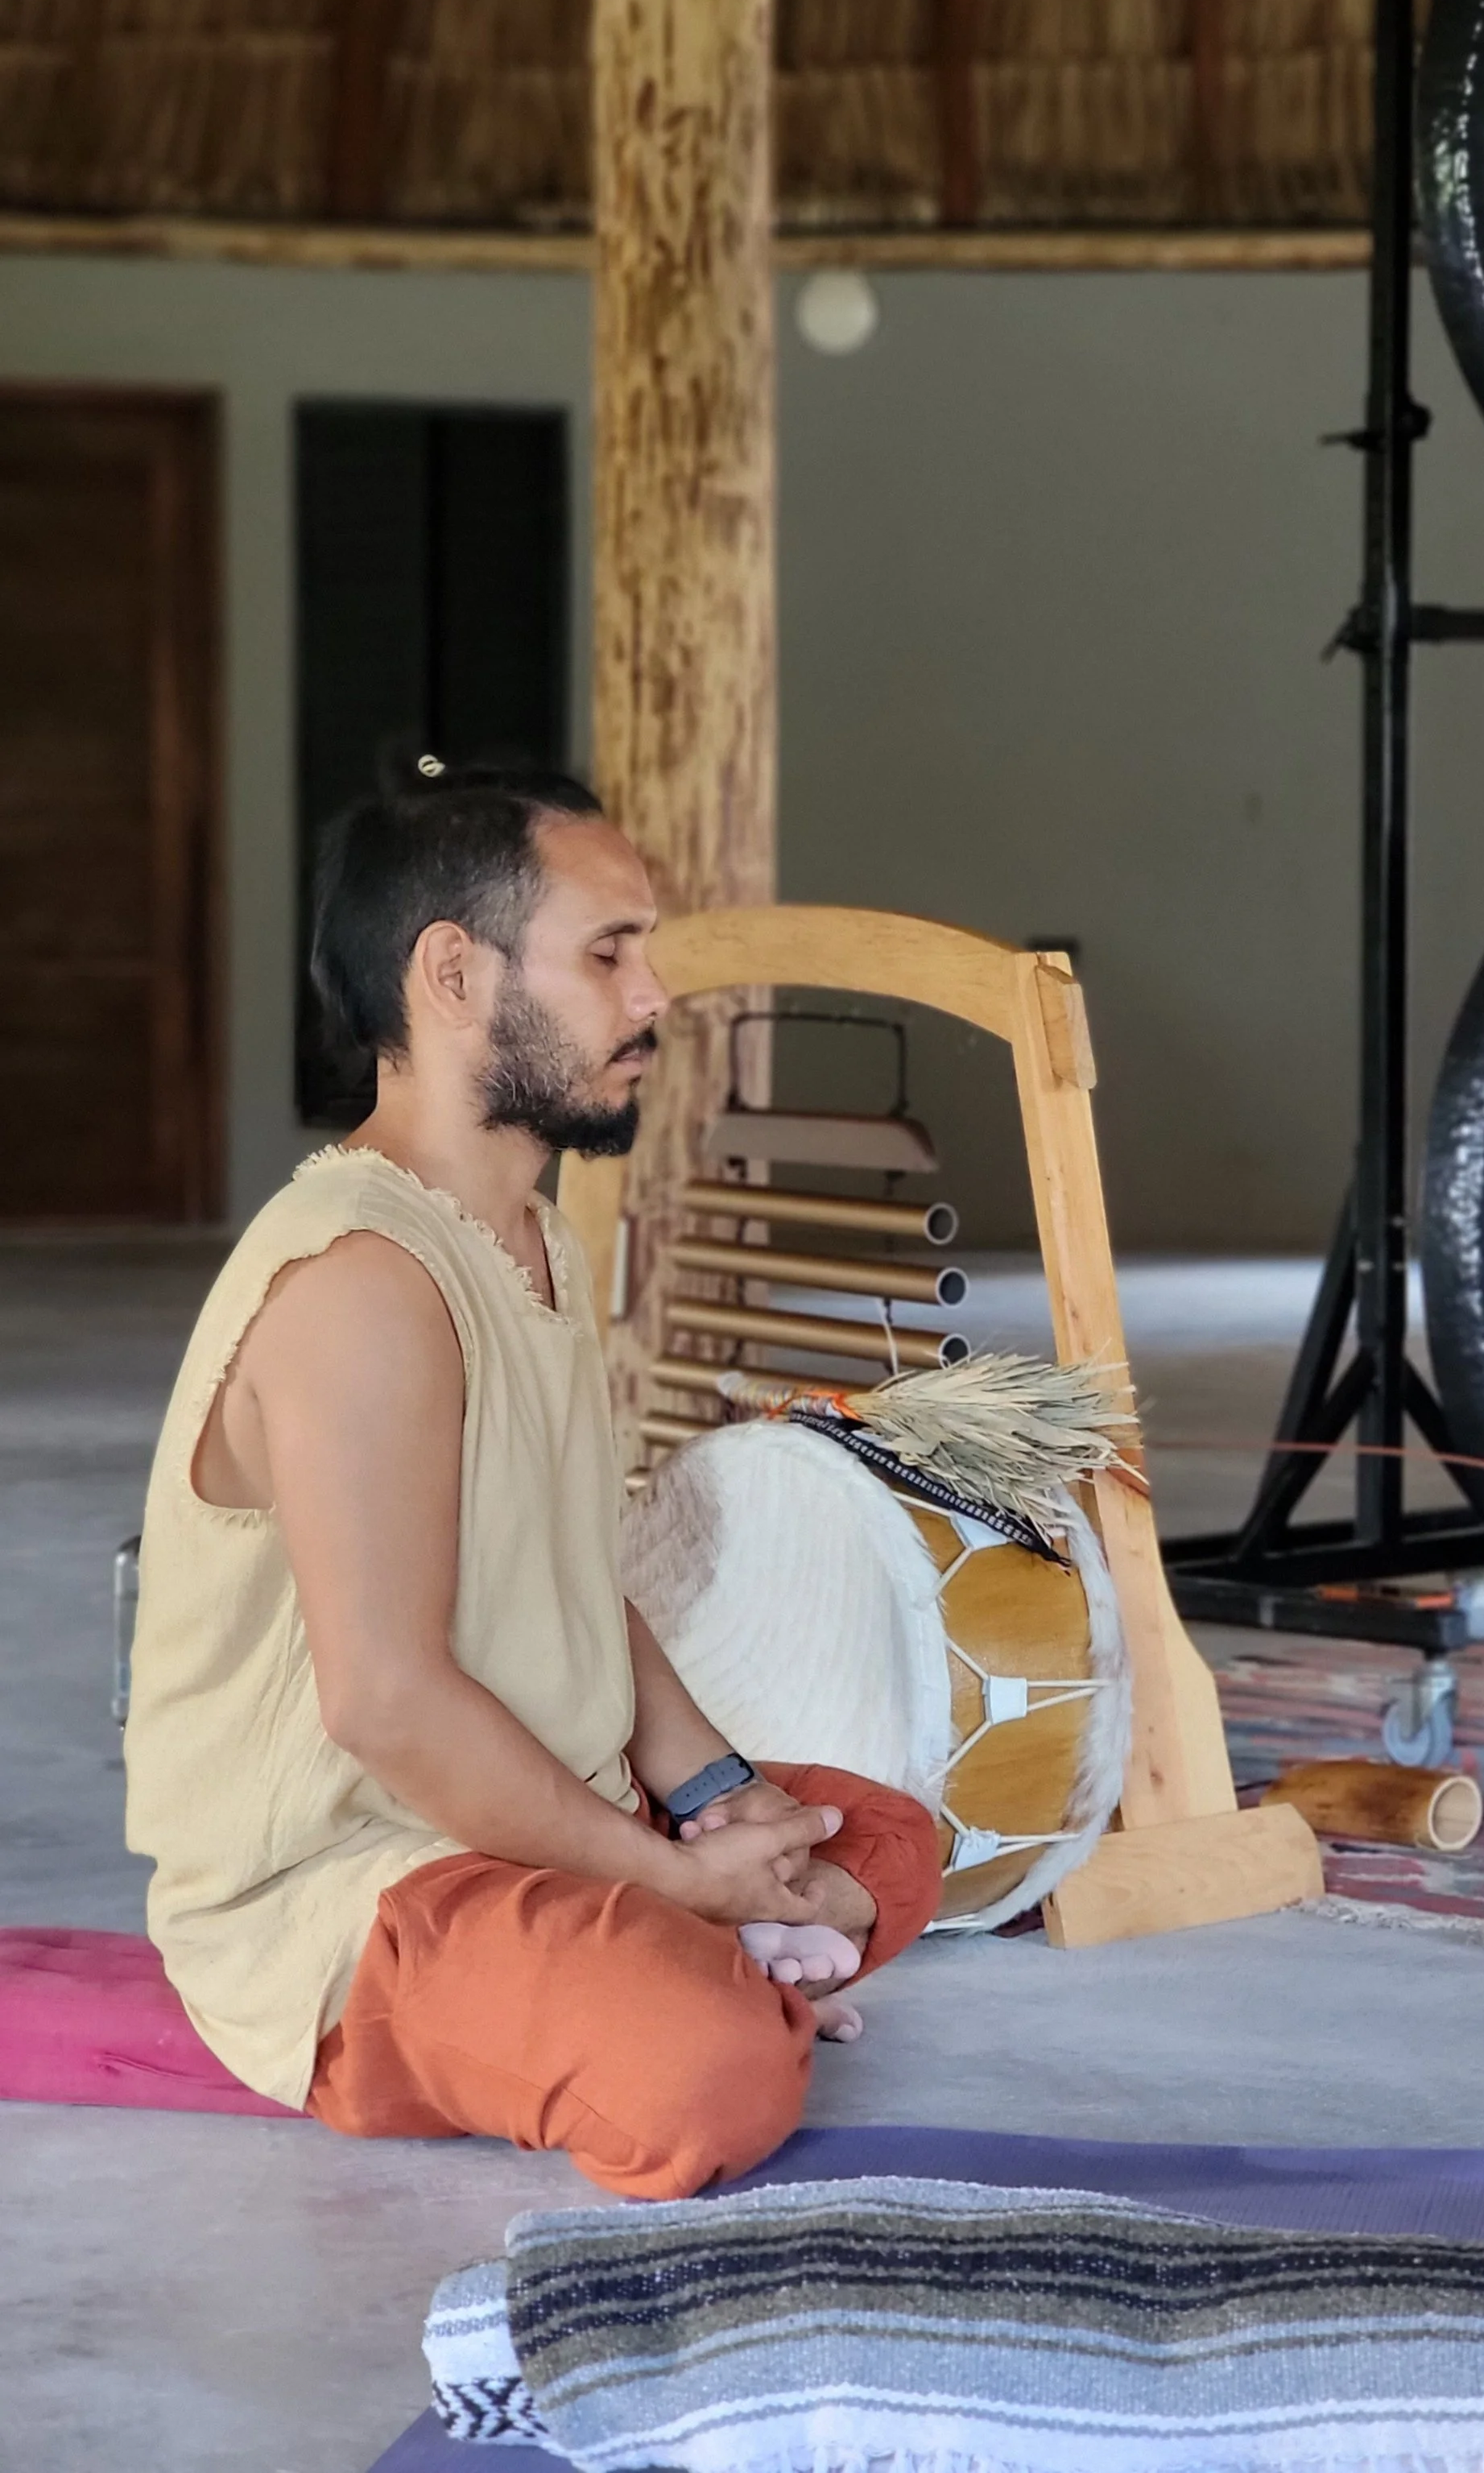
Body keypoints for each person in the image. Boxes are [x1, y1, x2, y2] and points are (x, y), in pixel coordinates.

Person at [123, 763, 941, 2198]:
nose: (653, 998)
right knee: (705, 2075)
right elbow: (386, 1702)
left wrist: (717, 1799)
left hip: (553, 1815)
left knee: (890, 1837)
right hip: (364, 1885)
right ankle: (695, 1974)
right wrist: (684, 1884)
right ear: (453, 972)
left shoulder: (534, 1238)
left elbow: (577, 1571)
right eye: (608, 953)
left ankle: (691, 1948)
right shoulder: (361, 1280)